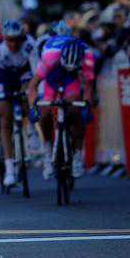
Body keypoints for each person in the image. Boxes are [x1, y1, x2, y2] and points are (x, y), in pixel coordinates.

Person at [27, 36, 95, 180]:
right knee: (44, 114)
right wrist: (33, 107)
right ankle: (47, 150)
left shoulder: (88, 55)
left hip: (72, 78)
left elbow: (88, 86)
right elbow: (33, 86)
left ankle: (77, 155)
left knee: (76, 109)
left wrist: (86, 107)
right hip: (52, 75)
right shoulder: (50, 55)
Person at [0, 20, 35, 186]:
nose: (13, 44)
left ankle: (31, 128)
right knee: (5, 120)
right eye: (9, 40)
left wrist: (33, 96)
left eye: (17, 40)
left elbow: (37, 74)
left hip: (23, 74)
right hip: (3, 75)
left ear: (22, 39)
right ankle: (9, 169)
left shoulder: (29, 45)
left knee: (28, 92)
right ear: (4, 38)